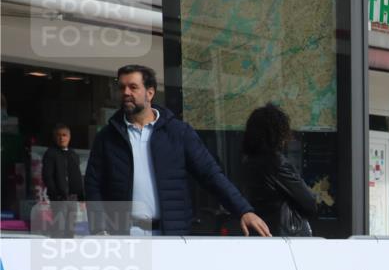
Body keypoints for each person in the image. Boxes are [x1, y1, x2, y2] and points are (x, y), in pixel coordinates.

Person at [85, 65, 269, 236]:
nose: (126, 92)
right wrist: (99, 228)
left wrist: (243, 210)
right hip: (124, 236)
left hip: (170, 235)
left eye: (133, 87)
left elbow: (210, 174)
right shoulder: (107, 137)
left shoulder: (178, 132)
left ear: (150, 93)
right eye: (122, 87)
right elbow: (93, 185)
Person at [240, 103, 317, 236]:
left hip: (260, 231)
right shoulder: (277, 163)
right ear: (277, 134)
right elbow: (309, 203)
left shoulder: (248, 162)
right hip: (284, 235)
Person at [41, 123, 83, 237]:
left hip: (72, 198)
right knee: (58, 229)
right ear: (54, 137)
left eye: (64, 135)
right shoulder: (50, 153)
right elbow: (47, 176)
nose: (61, 138)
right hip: (59, 198)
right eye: (59, 135)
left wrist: (81, 195)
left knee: (70, 229)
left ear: (69, 137)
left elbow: (77, 175)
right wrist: (55, 193)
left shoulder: (73, 154)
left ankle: (68, 247)